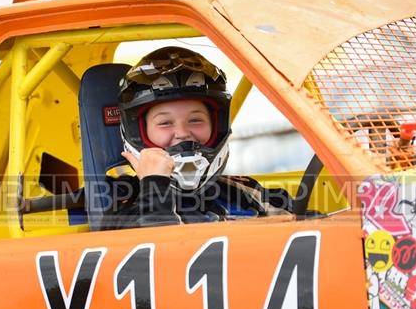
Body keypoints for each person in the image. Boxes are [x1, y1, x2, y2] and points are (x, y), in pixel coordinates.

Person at [100, 46, 292, 230]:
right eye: (165, 123)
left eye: (195, 120)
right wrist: (155, 185)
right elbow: (150, 253)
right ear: (139, 132)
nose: (183, 132)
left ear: (216, 125)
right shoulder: (120, 203)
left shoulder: (245, 192)